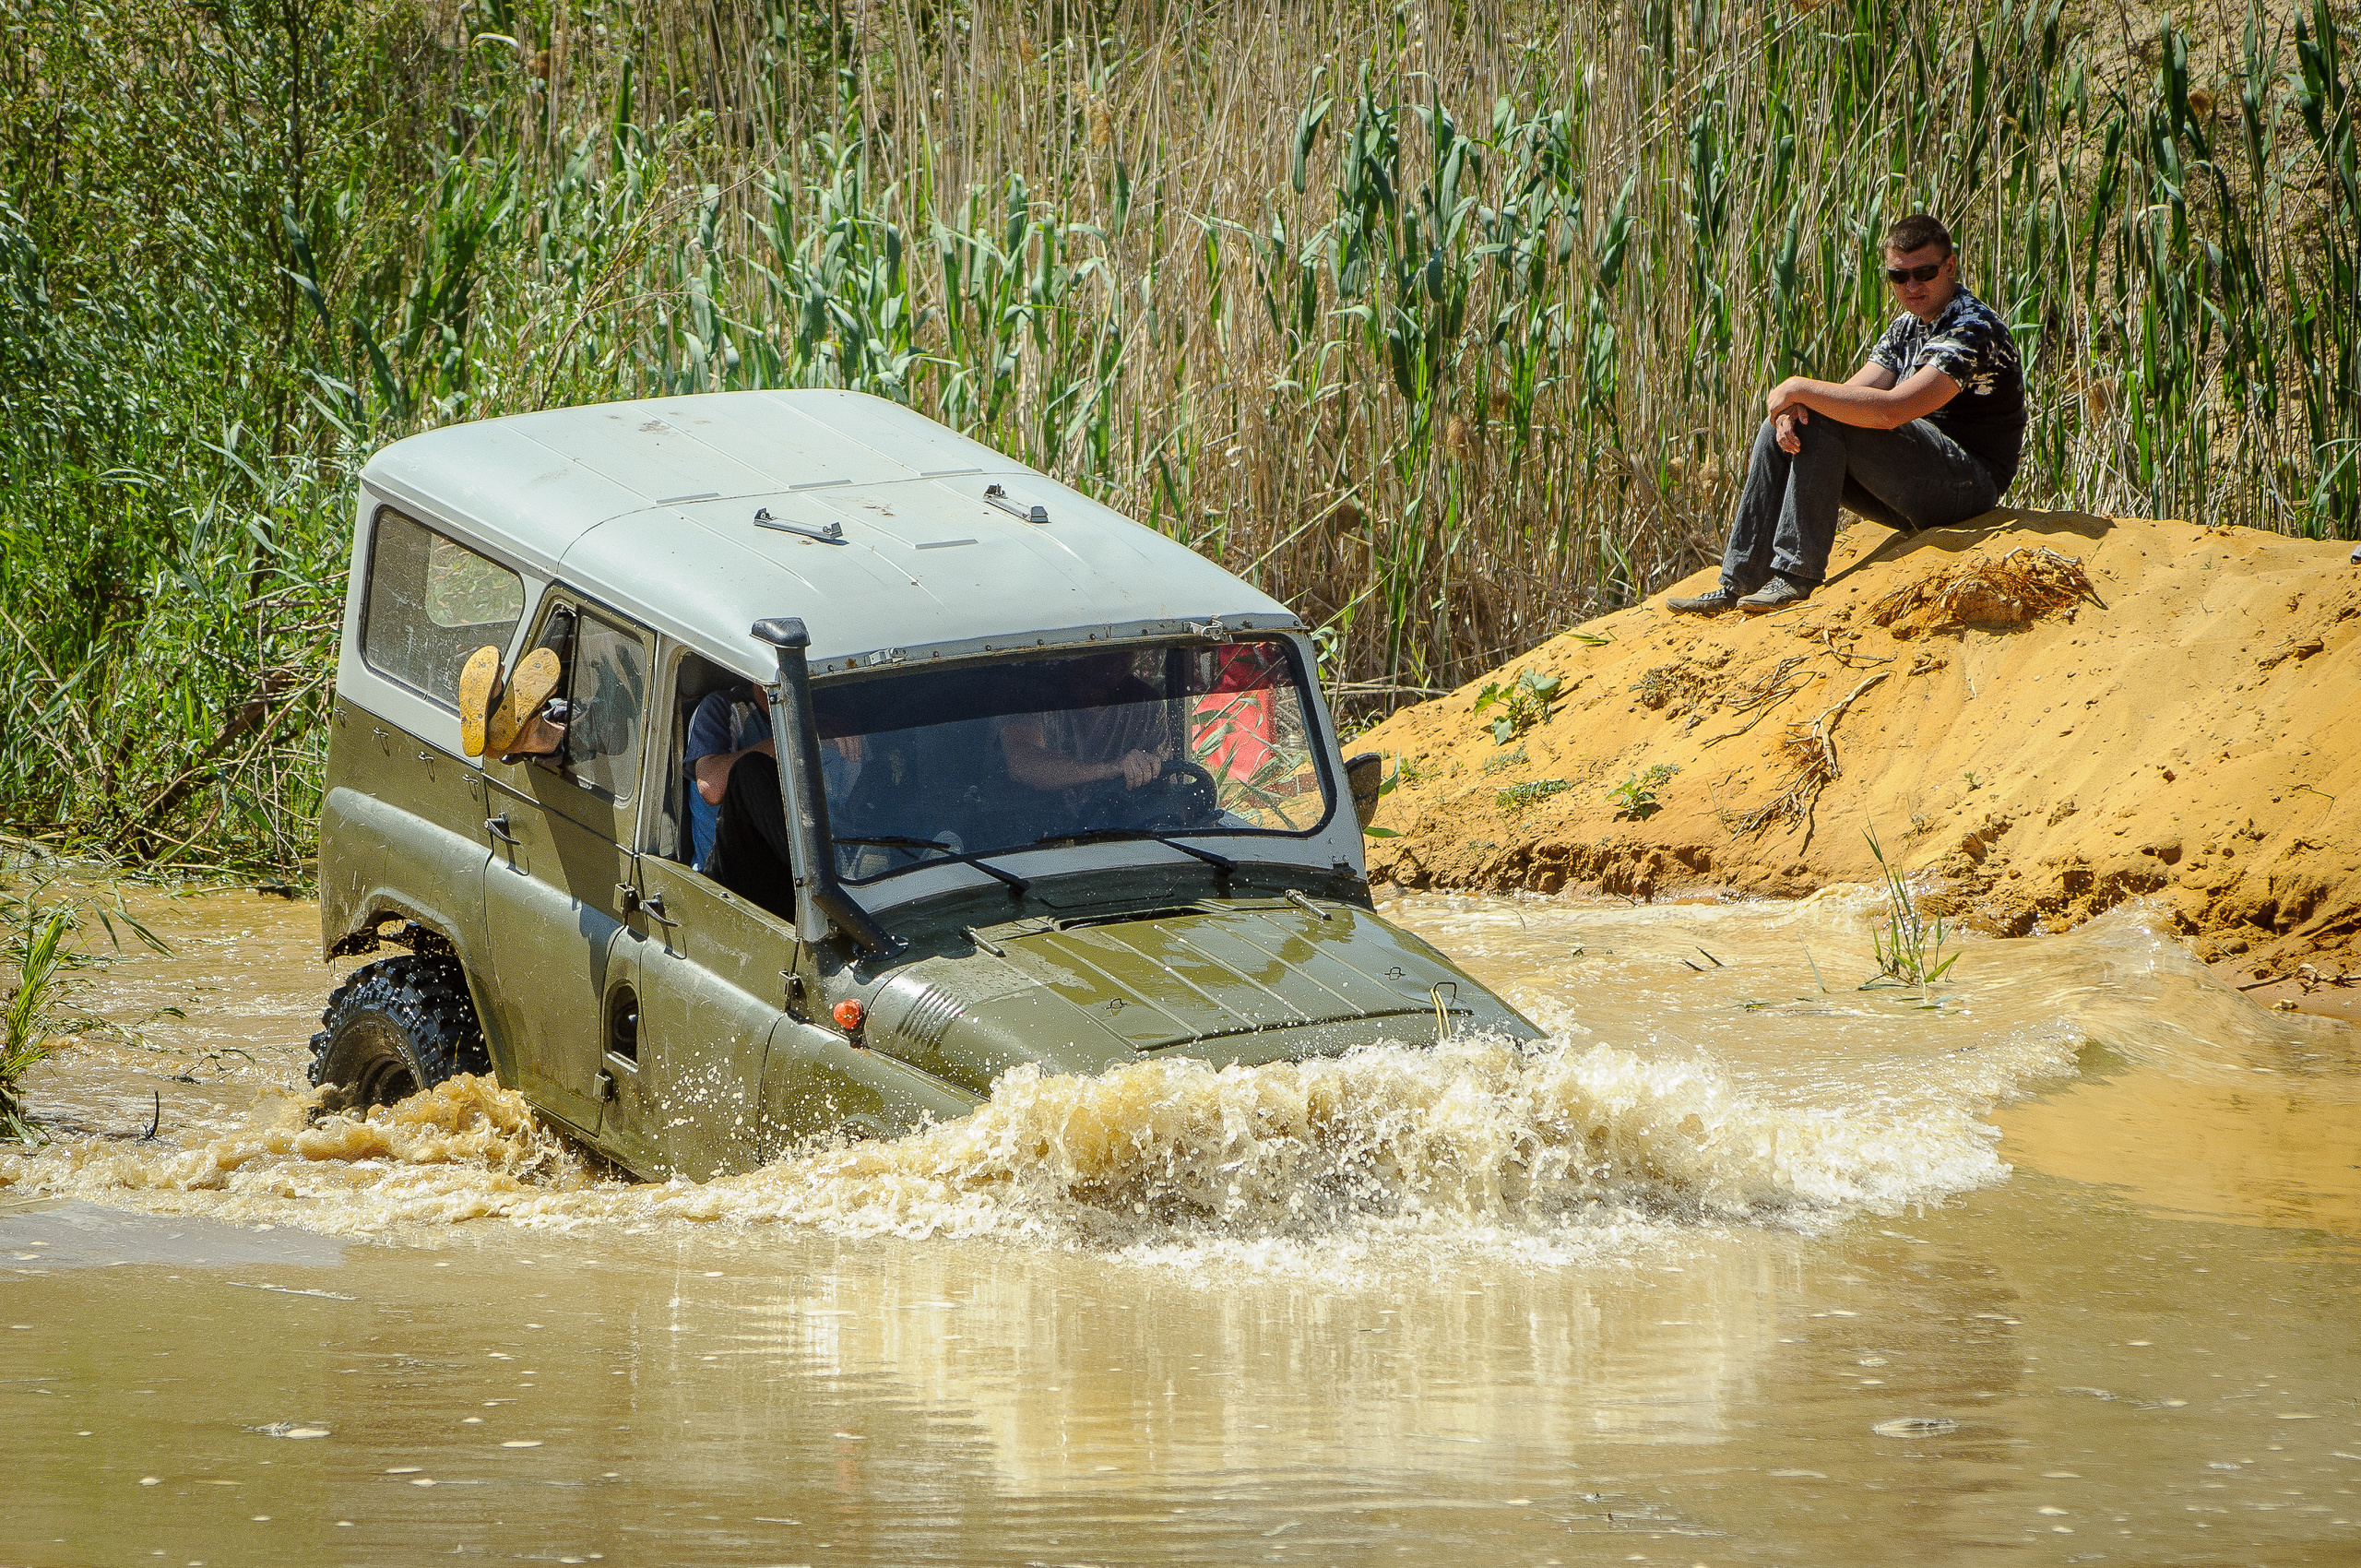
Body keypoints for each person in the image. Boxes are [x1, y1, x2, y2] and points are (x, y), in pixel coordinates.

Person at [1670, 213, 2026, 615]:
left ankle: (1796, 574)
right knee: (1790, 424)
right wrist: (1793, 407)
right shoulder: (1906, 327)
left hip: (1969, 485)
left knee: (1818, 413)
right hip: (1911, 487)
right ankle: (1740, 582)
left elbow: (1893, 411)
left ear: (1950, 266)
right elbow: (1854, 392)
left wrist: (1799, 389)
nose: (1911, 286)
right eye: (1898, 275)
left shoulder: (1971, 327)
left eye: (1924, 272)